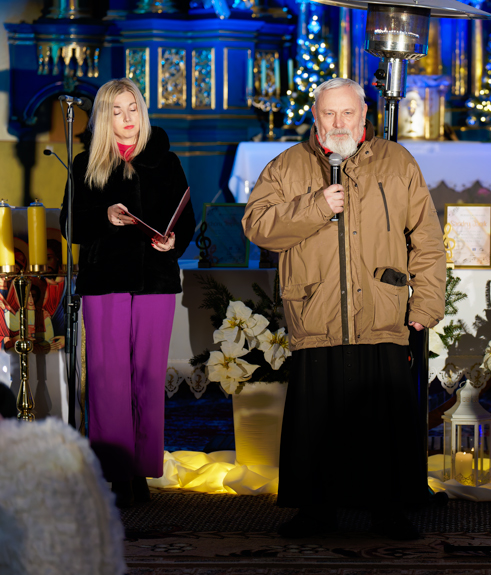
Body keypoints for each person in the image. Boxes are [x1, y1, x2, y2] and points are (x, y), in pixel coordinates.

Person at [243, 77, 445, 540]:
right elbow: (257, 226)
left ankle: (389, 509)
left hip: (382, 310)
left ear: (363, 116)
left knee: (384, 418)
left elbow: (428, 241)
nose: (338, 122)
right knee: (319, 418)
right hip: (316, 310)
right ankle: (316, 511)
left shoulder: (398, 163)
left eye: (347, 113)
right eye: (329, 114)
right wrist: (316, 205)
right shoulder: (288, 166)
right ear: (315, 117)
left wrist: (427, 303)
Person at [60, 78, 195, 508]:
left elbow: (185, 218)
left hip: (155, 280)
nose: (126, 118)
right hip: (104, 282)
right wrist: (105, 216)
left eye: (132, 108)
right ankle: (113, 471)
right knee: (107, 379)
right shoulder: (85, 165)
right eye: (116, 111)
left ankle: (140, 471)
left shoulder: (167, 162)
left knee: (149, 379)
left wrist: (175, 240)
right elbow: (70, 225)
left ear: (142, 111)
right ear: (104, 117)